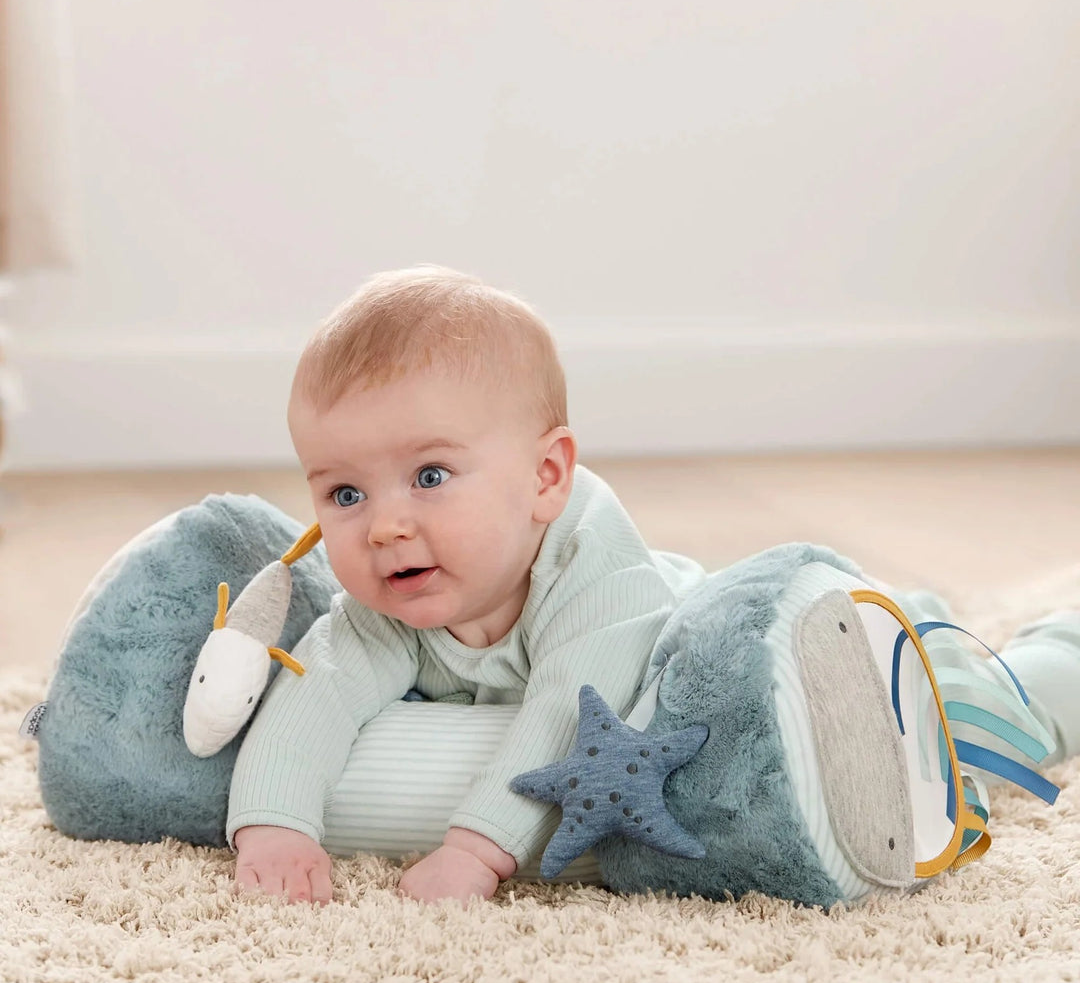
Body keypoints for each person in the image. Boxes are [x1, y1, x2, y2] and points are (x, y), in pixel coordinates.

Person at [227, 265, 1080, 905]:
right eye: (344, 493)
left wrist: (473, 850)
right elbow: (313, 697)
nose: (382, 525)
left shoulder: (599, 583)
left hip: (726, 668)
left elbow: (568, 717)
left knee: (983, 719)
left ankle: (1051, 658)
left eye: (430, 475)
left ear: (546, 477)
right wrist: (271, 825)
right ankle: (923, 613)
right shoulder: (389, 596)